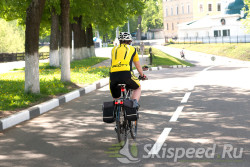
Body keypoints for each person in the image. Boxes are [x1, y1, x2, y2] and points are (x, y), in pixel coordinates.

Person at [109, 32, 147, 104]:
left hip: (113, 75)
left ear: (119, 41)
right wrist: (142, 75)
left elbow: (113, 63)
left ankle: (116, 108)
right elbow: (137, 65)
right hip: (126, 74)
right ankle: (132, 106)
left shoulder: (113, 49)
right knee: (137, 88)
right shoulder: (132, 49)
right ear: (130, 41)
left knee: (116, 97)